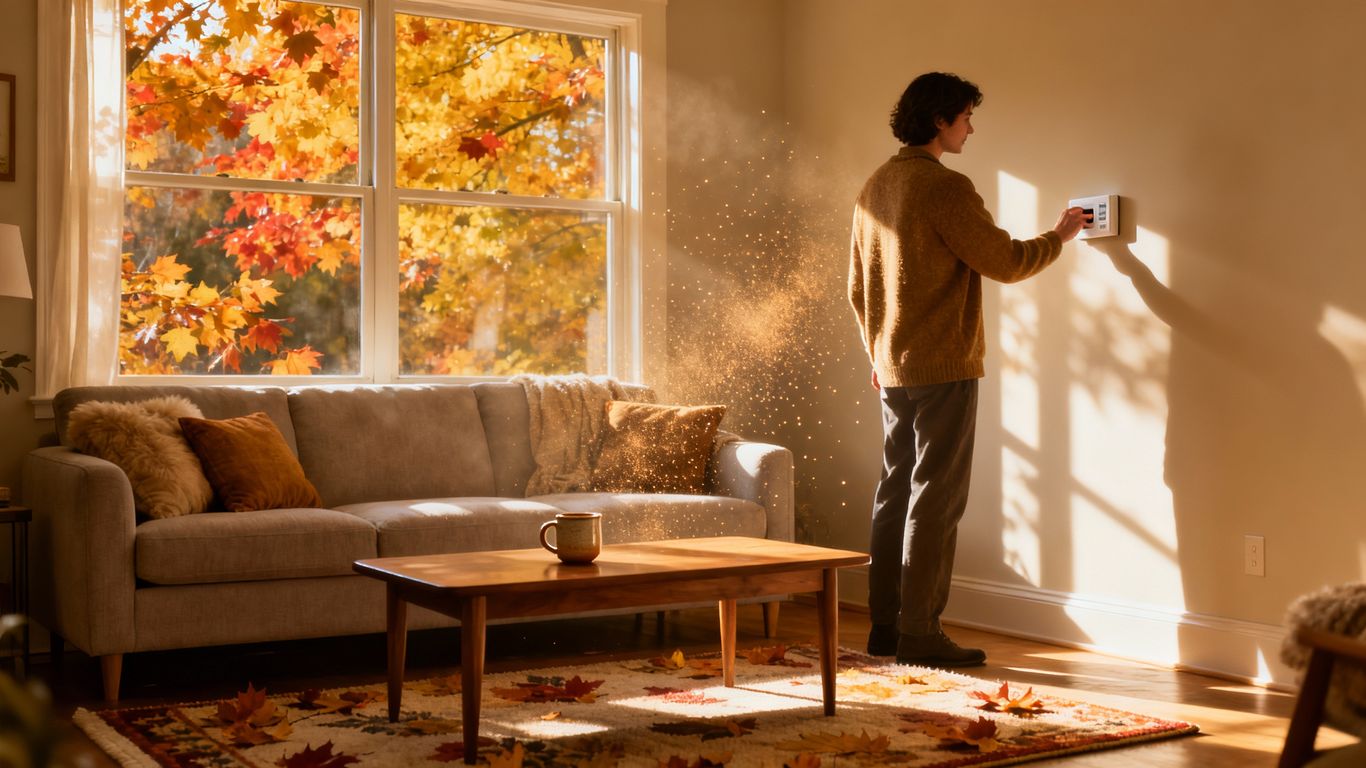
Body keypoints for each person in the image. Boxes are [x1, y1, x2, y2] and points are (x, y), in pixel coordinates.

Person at [848, 72, 1089, 666]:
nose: (971, 129)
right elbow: (1004, 261)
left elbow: (857, 288)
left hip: (893, 366)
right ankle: (921, 633)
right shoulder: (944, 188)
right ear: (939, 120)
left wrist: (875, 354)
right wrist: (1059, 236)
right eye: (965, 118)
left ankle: (885, 628)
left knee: (894, 491)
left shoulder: (874, 187)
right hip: (943, 365)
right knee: (936, 497)